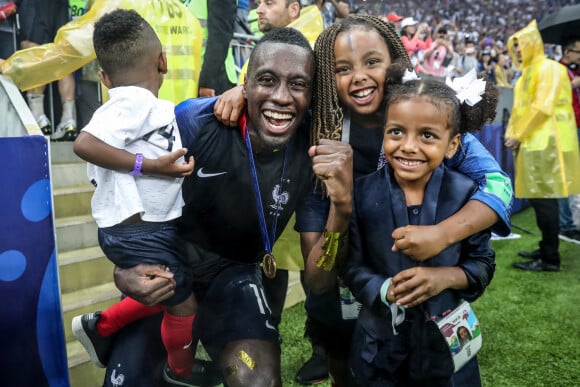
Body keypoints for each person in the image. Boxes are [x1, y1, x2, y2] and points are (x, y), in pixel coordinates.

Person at [77, 27, 347, 387]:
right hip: (167, 276)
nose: (282, 97)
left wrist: (340, 210)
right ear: (245, 83)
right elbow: (120, 188)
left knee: (258, 379)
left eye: (298, 85)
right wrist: (124, 272)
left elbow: (319, 280)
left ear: (311, 93)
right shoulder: (194, 122)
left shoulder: (313, 152)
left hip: (233, 278)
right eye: (266, 80)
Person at [304, 15, 512, 386]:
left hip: (436, 327)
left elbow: (498, 186)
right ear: (327, 78)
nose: (359, 76)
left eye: (372, 62)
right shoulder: (321, 128)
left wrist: (443, 235)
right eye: (342, 68)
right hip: (354, 297)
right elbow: (325, 273)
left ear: (397, 65)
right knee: (349, 361)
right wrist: (237, 92)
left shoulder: (434, 119)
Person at [70, 9, 204, 387]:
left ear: (103, 76)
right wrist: (150, 166)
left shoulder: (139, 109)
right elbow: (84, 144)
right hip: (142, 233)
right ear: (162, 61)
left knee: (167, 285)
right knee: (184, 302)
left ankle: (102, 325)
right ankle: (180, 372)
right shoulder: (131, 103)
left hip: (141, 232)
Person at [342, 66, 497, 386]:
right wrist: (384, 289)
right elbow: (352, 266)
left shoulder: (467, 196)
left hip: (447, 351)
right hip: (378, 348)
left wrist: (445, 277)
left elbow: (482, 265)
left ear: (452, 144)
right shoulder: (361, 192)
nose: (408, 146)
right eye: (396, 131)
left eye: (427, 135)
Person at [0, 0, 203, 105]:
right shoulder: (186, 15)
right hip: (178, 130)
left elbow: (68, 51)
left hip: (135, 127)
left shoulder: (120, 4)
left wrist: (9, 68)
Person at [505, 20, 580, 272]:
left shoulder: (547, 69)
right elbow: (520, 108)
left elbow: (542, 107)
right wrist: (512, 132)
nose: (516, 51)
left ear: (532, 44)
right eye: (513, 47)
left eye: (520, 45)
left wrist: (518, 134)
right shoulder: (529, 71)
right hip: (535, 142)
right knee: (539, 199)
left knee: (544, 199)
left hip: (548, 142)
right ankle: (547, 247)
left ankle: (550, 258)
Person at [17, 0, 77, 140]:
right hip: (60, 5)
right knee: (62, 59)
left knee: (35, 53)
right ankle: (68, 119)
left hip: (34, 5)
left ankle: (38, 117)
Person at [556, 36, 580, 244]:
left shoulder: (574, 69)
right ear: (567, 52)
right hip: (566, 128)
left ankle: (570, 222)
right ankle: (566, 225)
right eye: (579, 52)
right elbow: (553, 96)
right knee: (565, 176)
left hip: (576, 126)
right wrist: (573, 84)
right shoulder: (556, 71)